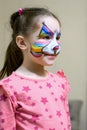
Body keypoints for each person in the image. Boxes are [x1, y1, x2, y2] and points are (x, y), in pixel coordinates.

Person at [0, 7, 71, 130]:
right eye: (46, 37)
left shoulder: (60, 82)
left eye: (57, 38)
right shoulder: (9, 88)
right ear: (22, 43)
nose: (55, 45)